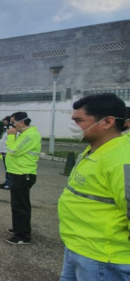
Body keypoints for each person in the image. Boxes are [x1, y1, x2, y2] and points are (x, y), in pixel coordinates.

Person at [58, 93, 130, 279]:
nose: (73, 126)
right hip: (79, 247)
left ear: (107, 122)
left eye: (78, 120)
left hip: (103, 258)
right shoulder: (93, 150)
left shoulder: (121, 159)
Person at [5, 112, 41, 245]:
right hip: (17, 172)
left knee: (21, 205)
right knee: (16, 204)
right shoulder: (24, 134)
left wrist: (11, 137)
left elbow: (14, 150)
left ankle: (23, 236)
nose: (12, 125)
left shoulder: (30, 135)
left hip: (23, 173)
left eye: (13, 122)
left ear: (21, 122)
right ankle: (18, 228)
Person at [0, 116, 11, 189]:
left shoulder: (11, 129)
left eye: (5, 120)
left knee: (8, 168)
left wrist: (7, 152)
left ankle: (9, 183)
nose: (3, 122)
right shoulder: (7, 128)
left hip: (7, 152)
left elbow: (11, 141)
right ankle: (7, 182)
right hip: (4, 151)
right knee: (7, 168)